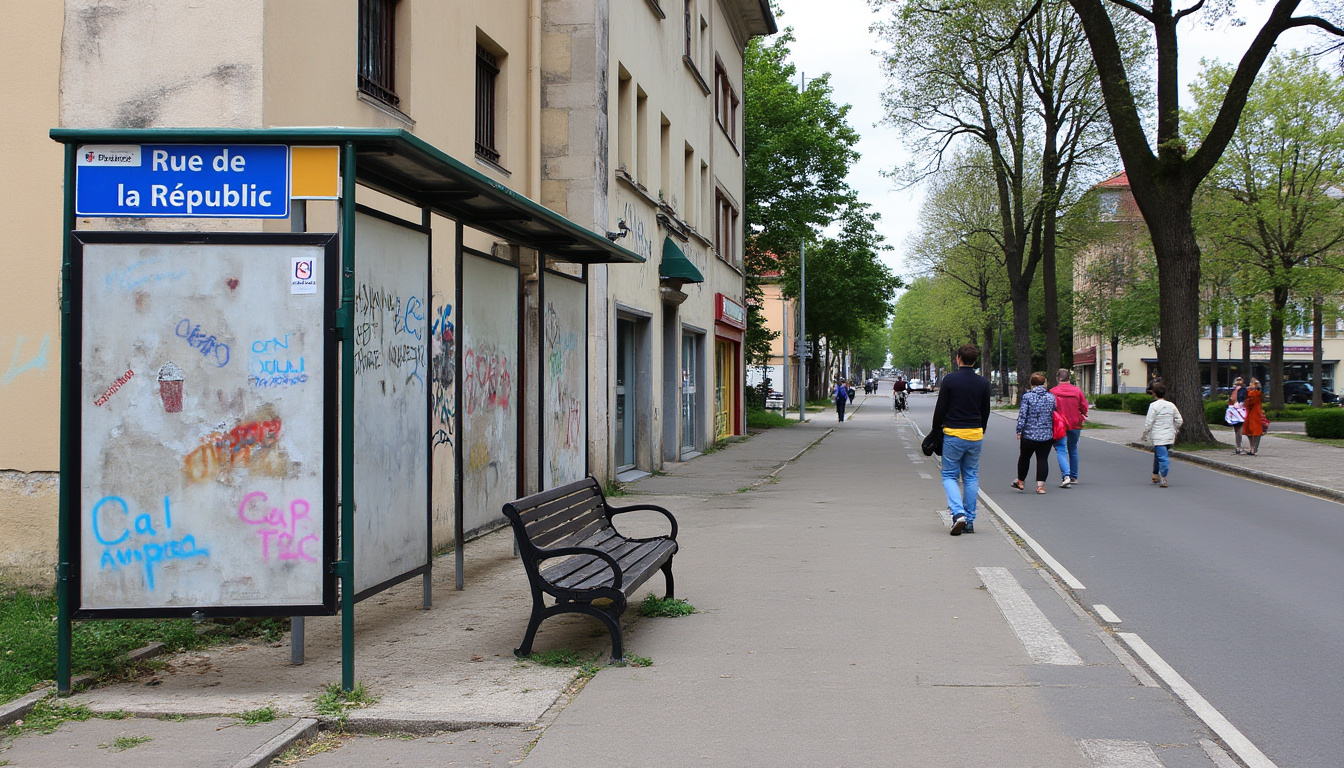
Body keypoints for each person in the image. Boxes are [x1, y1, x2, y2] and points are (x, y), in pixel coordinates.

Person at [931, 344, 991, 536]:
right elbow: (985, 410)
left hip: (954, 433)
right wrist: (982, 429)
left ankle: (958, 513)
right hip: (975, 434)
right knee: (971, 476)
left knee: (949, 475)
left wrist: (935, 429)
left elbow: (941, 407)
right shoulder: (983, 383)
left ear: (958, 358)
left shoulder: (950, 380)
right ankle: (970, 521)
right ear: (975, 360)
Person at [1012, 372, 1057, 494]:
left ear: (1032, 384)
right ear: (1044, 383)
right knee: (1042, 459)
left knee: (1024, 458)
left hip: (1029, 434)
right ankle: (1040, 486)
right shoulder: (1051, 397)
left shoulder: (1027, 397)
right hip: (1046, 434)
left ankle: (1020, 481)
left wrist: (1019, 430)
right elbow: (1054, 413)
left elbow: (1023, 415)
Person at [1051, 368, 1089, 487]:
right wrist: (1082, 414)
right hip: (1075, 423)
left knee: (1061, 449)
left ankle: (1066, 475)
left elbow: (1051, 408)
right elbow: (1084, 406)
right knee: (1073, 449)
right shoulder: (1077, 391)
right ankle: (1074, 476)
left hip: (1060, 424)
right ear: (1069, 378)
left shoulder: (1053, 391)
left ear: (1058, 378)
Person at [1141, 382, 1184, 487]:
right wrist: (1175, 429)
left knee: (1162, 457)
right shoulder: (1171, 405)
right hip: (1169, 435)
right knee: (1159, 454)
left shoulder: (1153, 406)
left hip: (1158, 435)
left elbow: (1149, 422)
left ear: (1154, 393)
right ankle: (1155, 474)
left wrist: (1145, 434)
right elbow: (1179, 420)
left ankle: (1163, 477)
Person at [1241, 378, 1265, 456]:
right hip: (1251, 413)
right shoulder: (1252, 393)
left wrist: (1247, 392)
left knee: (1254, 431)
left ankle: (1253, 448)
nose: (1250, 385)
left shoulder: (1256, 393)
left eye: (1252, 384)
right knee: (1250, 431)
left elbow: (1249, 402)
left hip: (1254, 414)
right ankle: (1252, 447)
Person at [1227, 376, 1248, 454]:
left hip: (1240, 409)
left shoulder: (1243, 390)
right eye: (1237, 380)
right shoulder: (1233, 390)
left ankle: (1238, 446)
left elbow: (1244, 399)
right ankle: (1238, 446)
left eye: (1240, 380)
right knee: (1237, 429)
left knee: (1239, 428)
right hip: (1234, 409)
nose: (1238, 382)